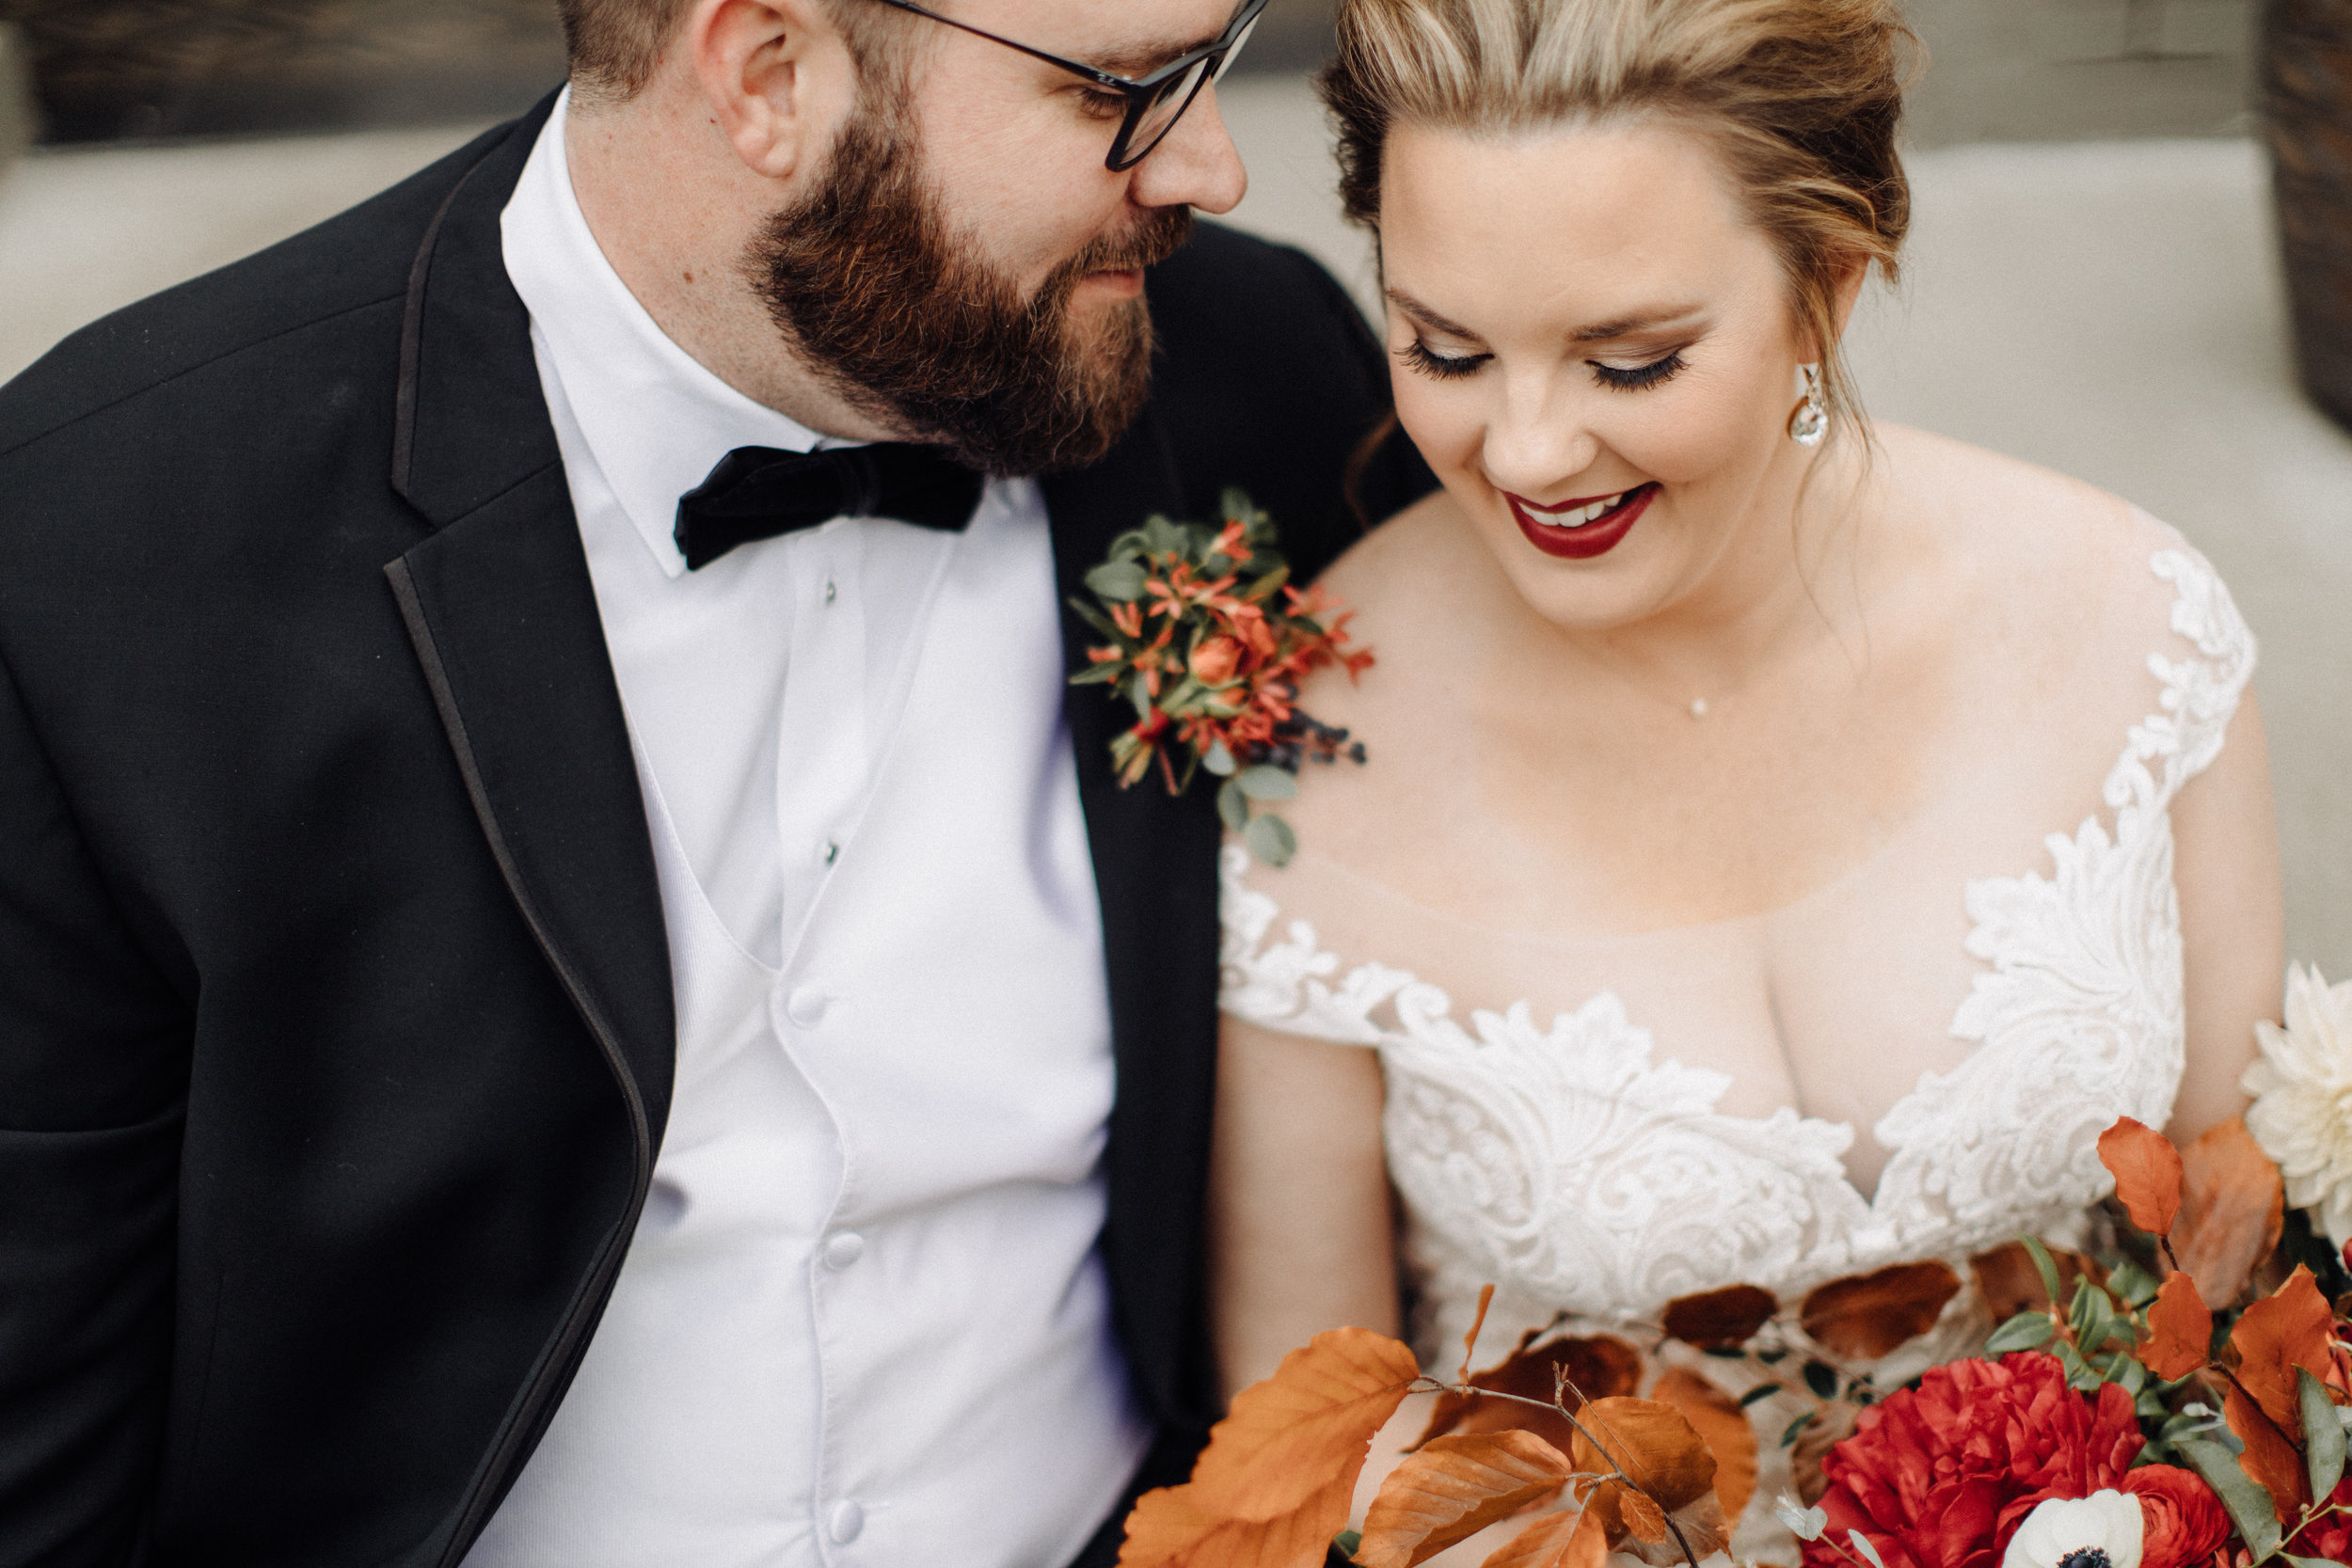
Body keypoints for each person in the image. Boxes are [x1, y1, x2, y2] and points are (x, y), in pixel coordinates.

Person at [0, 0, 1434, 1561]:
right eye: (1132, 90)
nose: (1212, 168)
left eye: (1211, 67)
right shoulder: (105, 545)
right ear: (766, 75)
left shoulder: (1266, 374)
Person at [1209, 0, 2285, 1560]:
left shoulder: (2131, 624)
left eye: (1629, 361)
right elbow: (1306, 1461)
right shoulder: (1302, 761)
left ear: (1825, 290)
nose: (1522, 450)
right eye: (1445, 347)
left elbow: (2247, 1305)